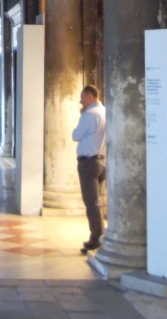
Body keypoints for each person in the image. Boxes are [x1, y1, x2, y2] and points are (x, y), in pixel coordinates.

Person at [72, 84, 106, 255]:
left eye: (82, 97)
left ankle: (96, 238)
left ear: (90, 96)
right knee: (97, 202)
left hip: (88, 164)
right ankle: (100, 235)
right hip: (102, 161)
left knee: (91, 203)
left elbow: (75, 136)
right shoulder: (105, 112)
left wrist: (82, 117)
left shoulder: (89, 115)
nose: (80, 101)